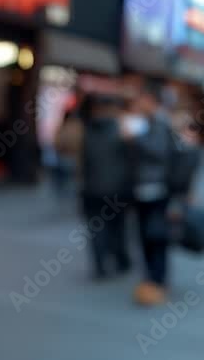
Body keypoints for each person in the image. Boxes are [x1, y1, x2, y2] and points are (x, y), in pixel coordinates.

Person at [123, 80, 176, 306]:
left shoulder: (159, 123)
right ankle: (151, 279)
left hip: (156, 189)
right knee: (145, 235)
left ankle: (157, 279)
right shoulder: (149, 122)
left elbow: (159, 151)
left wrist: (135, 139)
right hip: (143, 188)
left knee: (155, 236)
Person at [79, 94, 132, 280]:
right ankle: (120, 259)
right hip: (116, 189)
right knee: (117, 227)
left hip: (92, 189)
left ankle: (101, 263)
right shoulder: (120, 131)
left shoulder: (89, 131)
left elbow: (84, 162)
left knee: (97, 229)